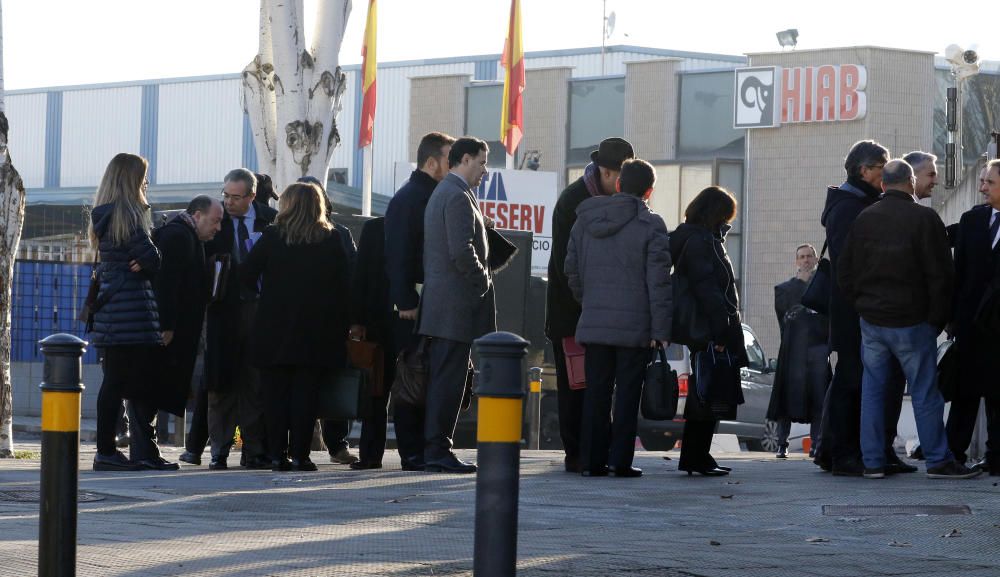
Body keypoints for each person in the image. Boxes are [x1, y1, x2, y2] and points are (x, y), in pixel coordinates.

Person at [838, 159, 978, 479]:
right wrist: (936, 320)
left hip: (873, 321)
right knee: (925, 392)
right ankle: (939, 460)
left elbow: (845, 272)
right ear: (910, 183)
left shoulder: (865, 218)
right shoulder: (924, 218)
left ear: (884, 185)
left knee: (872, 392)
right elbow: (942, 275)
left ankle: (872, 462)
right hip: (914, 322)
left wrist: (862, 305)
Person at [564, 158, 671, 478]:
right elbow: (659, 281)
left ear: (620, 184)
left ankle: (592, 461)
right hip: (635, 327)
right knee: (626, 394)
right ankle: (620, 460)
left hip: (595, 323)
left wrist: (590, 301)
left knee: (596, 392)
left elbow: (571, 269)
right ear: (649, 191)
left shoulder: (585, 219)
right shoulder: (651, 225)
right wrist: (661, 328)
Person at [817, 140, 913, 477]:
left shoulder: (859, 202)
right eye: (881, 167)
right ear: (864, 170)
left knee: (865, 381)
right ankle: (841, 453)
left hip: (860, 308)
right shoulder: (848, 207)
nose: (886, 173)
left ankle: (854, 450)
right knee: (851, 381)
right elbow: (848, 262)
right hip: (852, 311)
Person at [241, 182, 351, 471]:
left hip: (274, 328)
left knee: (274, 396)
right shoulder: (332, 239)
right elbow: (345, 285)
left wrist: (264, 298)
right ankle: (301, 455)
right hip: (317, 330)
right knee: (307, 395)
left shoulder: (273, 236)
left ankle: (277, 454)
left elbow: (246, 275)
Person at [546, 137, 634, 473]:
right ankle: (576, 453)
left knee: (595, 386)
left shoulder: (609, 198)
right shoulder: (575, 202)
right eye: (622, 177)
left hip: (597, 313)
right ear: (608, 172)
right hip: (572, 313)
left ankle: (595, 449)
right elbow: (566, 265)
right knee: (575, 386)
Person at [88, 153, 173, 471]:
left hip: (114, 313)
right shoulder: (128, 214)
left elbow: (145, 260)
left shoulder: (105, 214)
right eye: (144, 177)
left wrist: (144, 260)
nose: (147, 183)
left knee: (119, 382)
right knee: (130, 383)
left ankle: (121, 450)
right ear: (132, 180)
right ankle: (110, 452)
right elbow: (151, 259)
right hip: (131, 313)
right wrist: (147, 259)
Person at [418, 136, 494, 474]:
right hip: (454, 307)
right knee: (449, 381)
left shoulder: (450, 193)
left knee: (447, 378)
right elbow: (461, 250)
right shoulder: (456, 195)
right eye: (481, 162)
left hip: (444, 305)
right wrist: (484, 280)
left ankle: (436, 448)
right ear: (464, 159)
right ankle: (438, 449)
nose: (484, 170)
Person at [385, 131, 455, 471]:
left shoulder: (429, 194)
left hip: (428, 301)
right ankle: (412, 451)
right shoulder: (412, 198)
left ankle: (420, 450)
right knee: (414, 377)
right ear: (432, 162)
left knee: (425, 376)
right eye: (449, 159)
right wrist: (405, 300)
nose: (454, 166)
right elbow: (397, 253)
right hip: (414, 307)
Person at [669, 186, 745, 476]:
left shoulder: (692, 237)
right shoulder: (701, 241)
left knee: (706, 390)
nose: (727, 223)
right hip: (710, 328)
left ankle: (696, 455)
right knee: (708, 392)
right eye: (725, 217)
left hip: (703, 327)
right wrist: (722, 332)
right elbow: (709, 289)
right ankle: (696, 456)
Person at [203, 168, 276, 470]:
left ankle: (254, 449)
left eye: (236, 197)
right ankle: (219, 449)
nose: (229, 203)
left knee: (254, 382)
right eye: (226, 195)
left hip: (259, 309)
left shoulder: (270, 221)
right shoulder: (215, 221)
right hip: (223, 311)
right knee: (221, 384)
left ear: (251, 196)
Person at [153, 196, 223, 465]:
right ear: (197, 215)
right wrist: (167, 325)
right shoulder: (179, 238)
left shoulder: (189, 237)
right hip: (174, 329)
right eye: (215, 221)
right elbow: (167, 285)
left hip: (182, 327)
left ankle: (146, 448)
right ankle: (144, 447)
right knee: (155, 388)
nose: (217, 228)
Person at [297, 174, 360, 466]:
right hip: (305, 323)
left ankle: (336, 443)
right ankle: (306, 444)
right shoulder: (287, 232)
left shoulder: (340, 234)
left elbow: (352, 277)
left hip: (331, 323)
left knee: (333, 381)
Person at [946, 158, 1000, 475]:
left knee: (997, 396)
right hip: (970, 324)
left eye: (989, 182)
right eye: (981, 181)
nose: (982, 187)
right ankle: (953, 453)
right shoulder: (971, 220)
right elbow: (959, 273)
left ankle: (996, 458)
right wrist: (953, 319)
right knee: (964, 392)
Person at [767, 244, 826, 458]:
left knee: (819, 397)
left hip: (818, 349)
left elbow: (827, 317)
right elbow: (785, 320)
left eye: (809, 256)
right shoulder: (784, 289)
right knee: (787, 397)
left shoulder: (825, 287)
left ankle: (817, 445)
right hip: (793, 351)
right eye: (802, 257)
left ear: (816, 259)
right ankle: (782, 444)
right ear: (796, 261)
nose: (806, 260)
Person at [346, 215, 395, 470]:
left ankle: (371, 454)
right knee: (377, 390)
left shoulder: (376, 228)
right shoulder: (376, 228)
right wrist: (357, 320)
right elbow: (361, 274)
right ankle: (375, 453)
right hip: (384, 322)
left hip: (382, 321)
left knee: (378, 391)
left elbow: (360, 274)